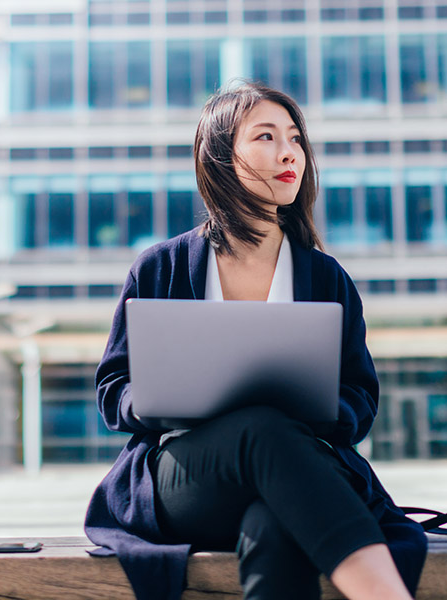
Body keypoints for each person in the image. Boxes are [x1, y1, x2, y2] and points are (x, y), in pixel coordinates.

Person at [85, 82, 427, 600]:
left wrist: (315, 407)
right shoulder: (162, 266)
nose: (289, 152)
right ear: (221, 157)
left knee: (274, 522)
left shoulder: (326, 277)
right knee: (259, 428)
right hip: (188, 479)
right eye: (265, 137)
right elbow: (114, 389)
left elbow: (360, 396)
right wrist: (157, 397)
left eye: (295, 138)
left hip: (296, 468)